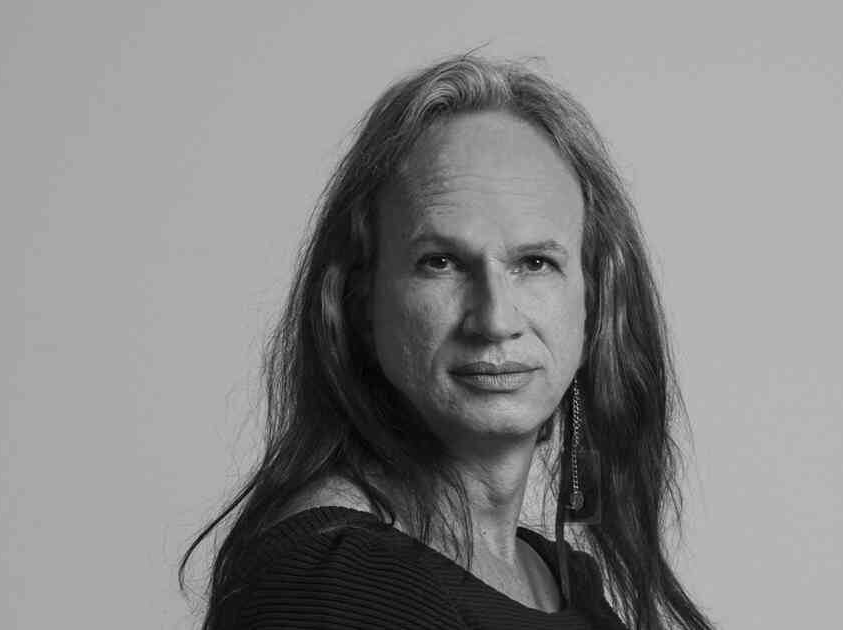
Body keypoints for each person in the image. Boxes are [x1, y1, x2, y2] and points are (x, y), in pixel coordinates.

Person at [180, 54, 713, 630]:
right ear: (359, 302)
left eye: (535, 262)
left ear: (594, 302)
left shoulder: (559, 578)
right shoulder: (331, 583)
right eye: (441, 262)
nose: (495, 320)